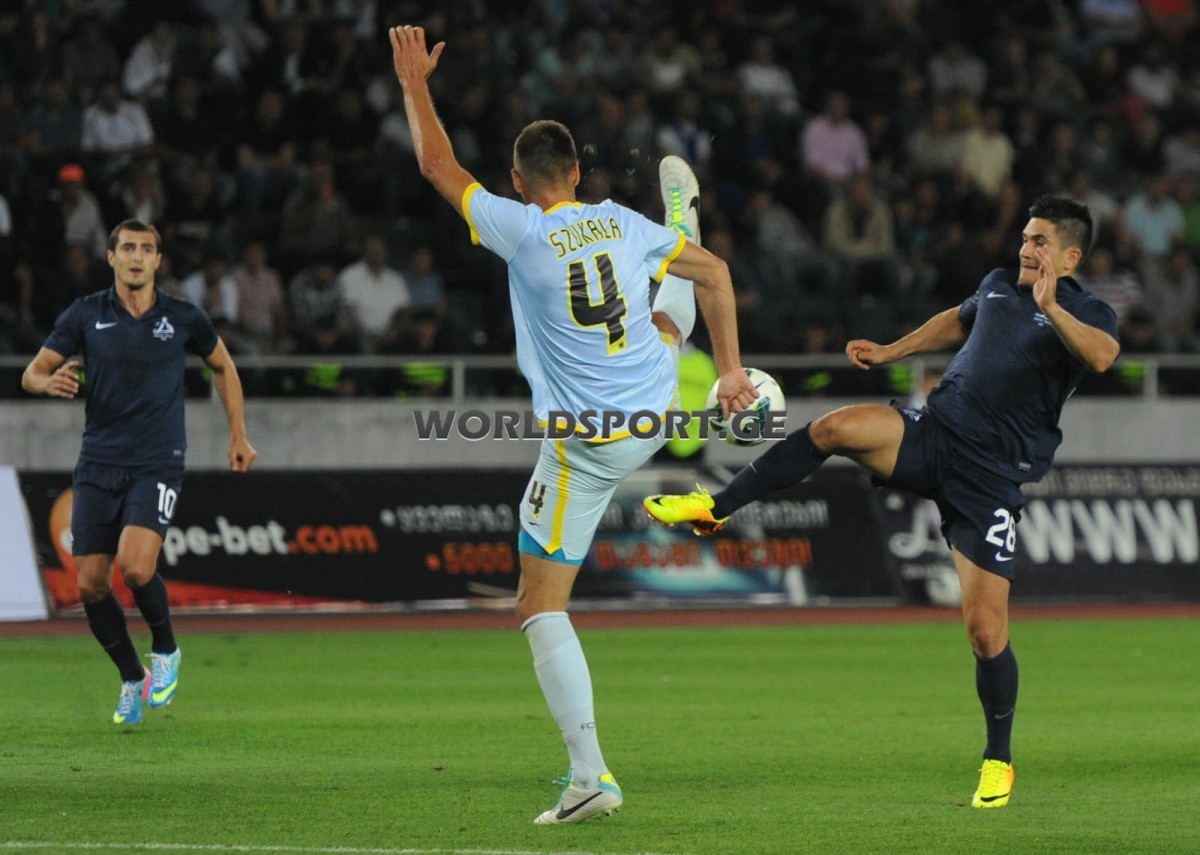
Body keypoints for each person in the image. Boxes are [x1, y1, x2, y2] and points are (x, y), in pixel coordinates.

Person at [389, 24, 756, 825]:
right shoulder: (619, 219)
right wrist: (731, 371)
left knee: (537, 603)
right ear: (580, 174)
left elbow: (436, 166)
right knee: (669, 314)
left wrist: (415, 85)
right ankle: (682, 224)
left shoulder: (521, 228)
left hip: (588, 443)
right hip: (657, 405)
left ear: (519, 183)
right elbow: (721, 276)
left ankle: (589, 775)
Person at [645, 195, 1121, 809]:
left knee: (985, 632)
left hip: (991, 479)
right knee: (834, 428)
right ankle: (715, 506)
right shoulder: (1001, 283)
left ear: (1071, 257)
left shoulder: (1087, 312)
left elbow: (1102, 357)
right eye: (1026, 238)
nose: (1026, 249)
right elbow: (959, 319)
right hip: (934, 435)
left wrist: (1051, 307)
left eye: (1040, 242)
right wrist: (893, 351)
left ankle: (998, 761)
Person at [21, 219, 257, 726]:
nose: (136, 256)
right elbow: (32, 372)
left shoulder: (183, 316)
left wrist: (237, 433)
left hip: (157, 459)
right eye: (127, 248)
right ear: (111, 257)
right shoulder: (85, 314)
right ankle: (132, 677)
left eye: (146, 249)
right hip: (98, 462)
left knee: (134, 565)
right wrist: (47, 382)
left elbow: (223, 366)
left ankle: (166, 648)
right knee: (90, 584)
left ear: (157, 260)